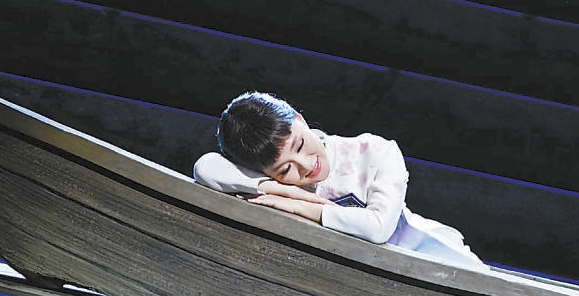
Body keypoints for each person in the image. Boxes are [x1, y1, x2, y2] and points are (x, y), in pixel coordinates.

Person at [193, 91, 484, 268]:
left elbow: (378, 228)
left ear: (299, 119)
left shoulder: (372, 150)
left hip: (433, 259)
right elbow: (205, 167)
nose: (307, 166)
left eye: (300, 145)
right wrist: (282, 189)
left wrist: (301, 206)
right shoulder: (281, 182)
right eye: (285, 170)